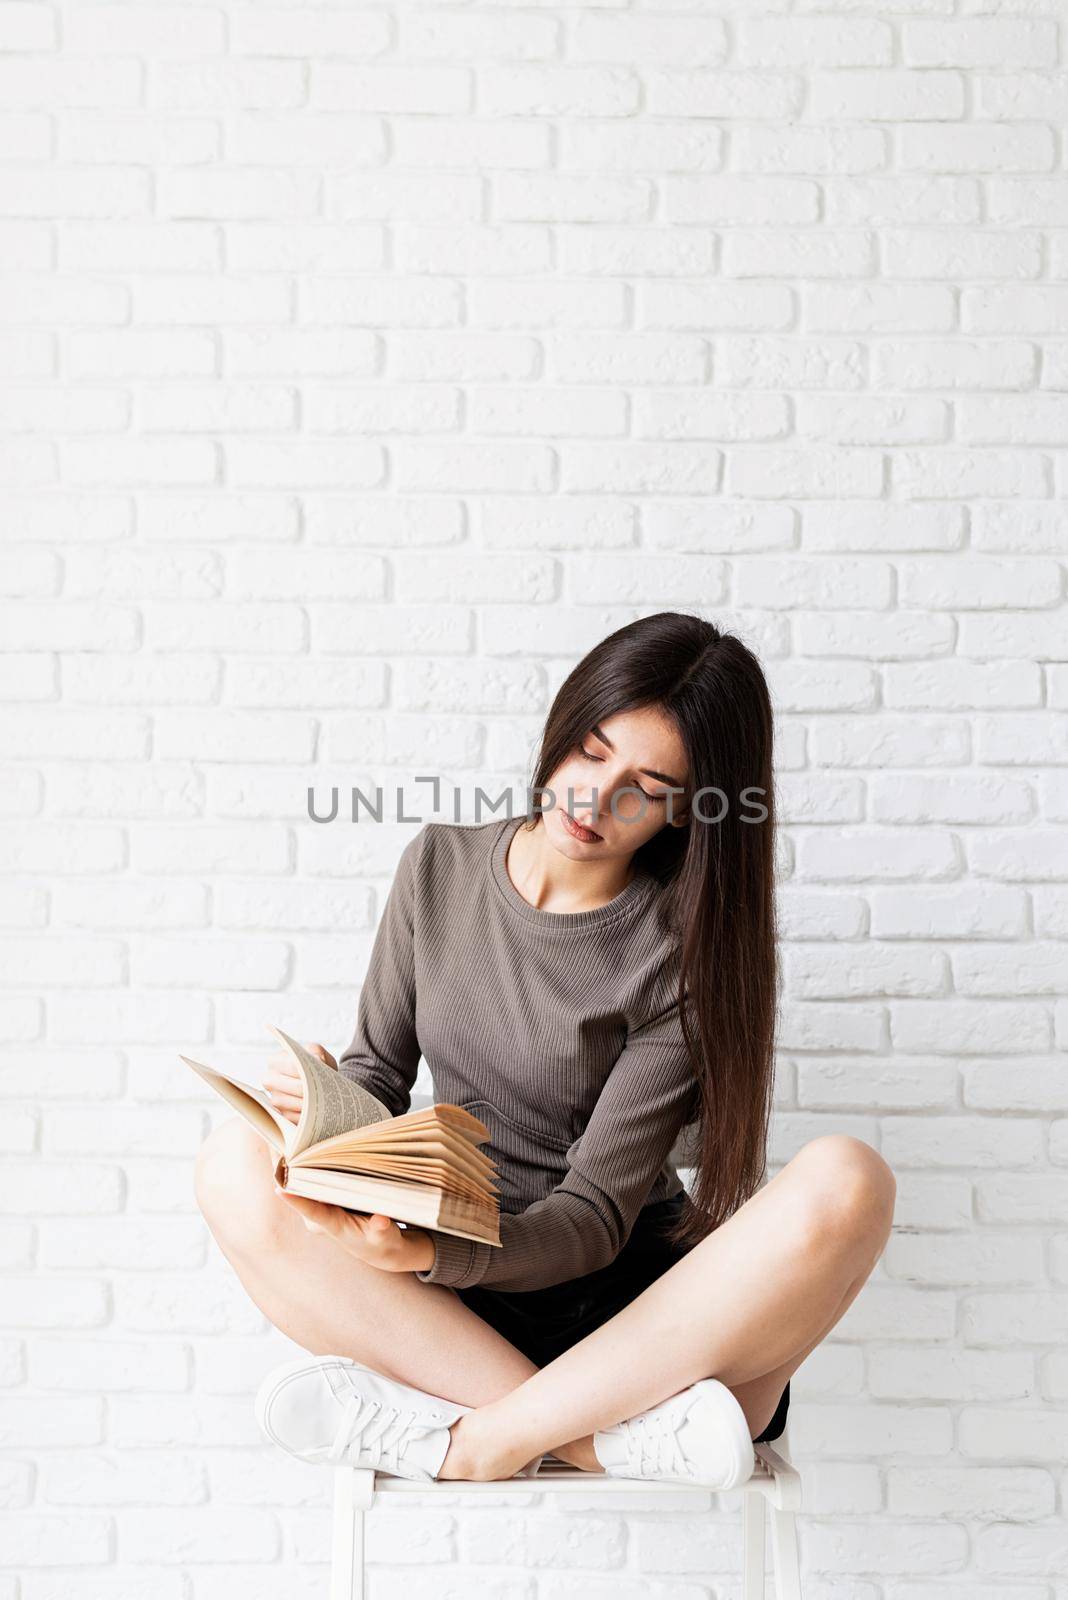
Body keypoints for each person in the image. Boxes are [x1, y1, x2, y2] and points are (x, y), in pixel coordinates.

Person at [195, 610, 896, 1488]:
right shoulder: (439, 868)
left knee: (850, 1178)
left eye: (646, 785)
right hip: (458, 1320)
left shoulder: (678, 957)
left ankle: (478, 1444)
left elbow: (592, 1219)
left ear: (688, 813)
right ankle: (588, 1443)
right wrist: (329, 1113)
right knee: (234, 1163)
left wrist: (435, 1255)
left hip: (631, 1319)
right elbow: (379, 1070)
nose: (595, 800)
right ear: (564, 729)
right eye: (592, 751)